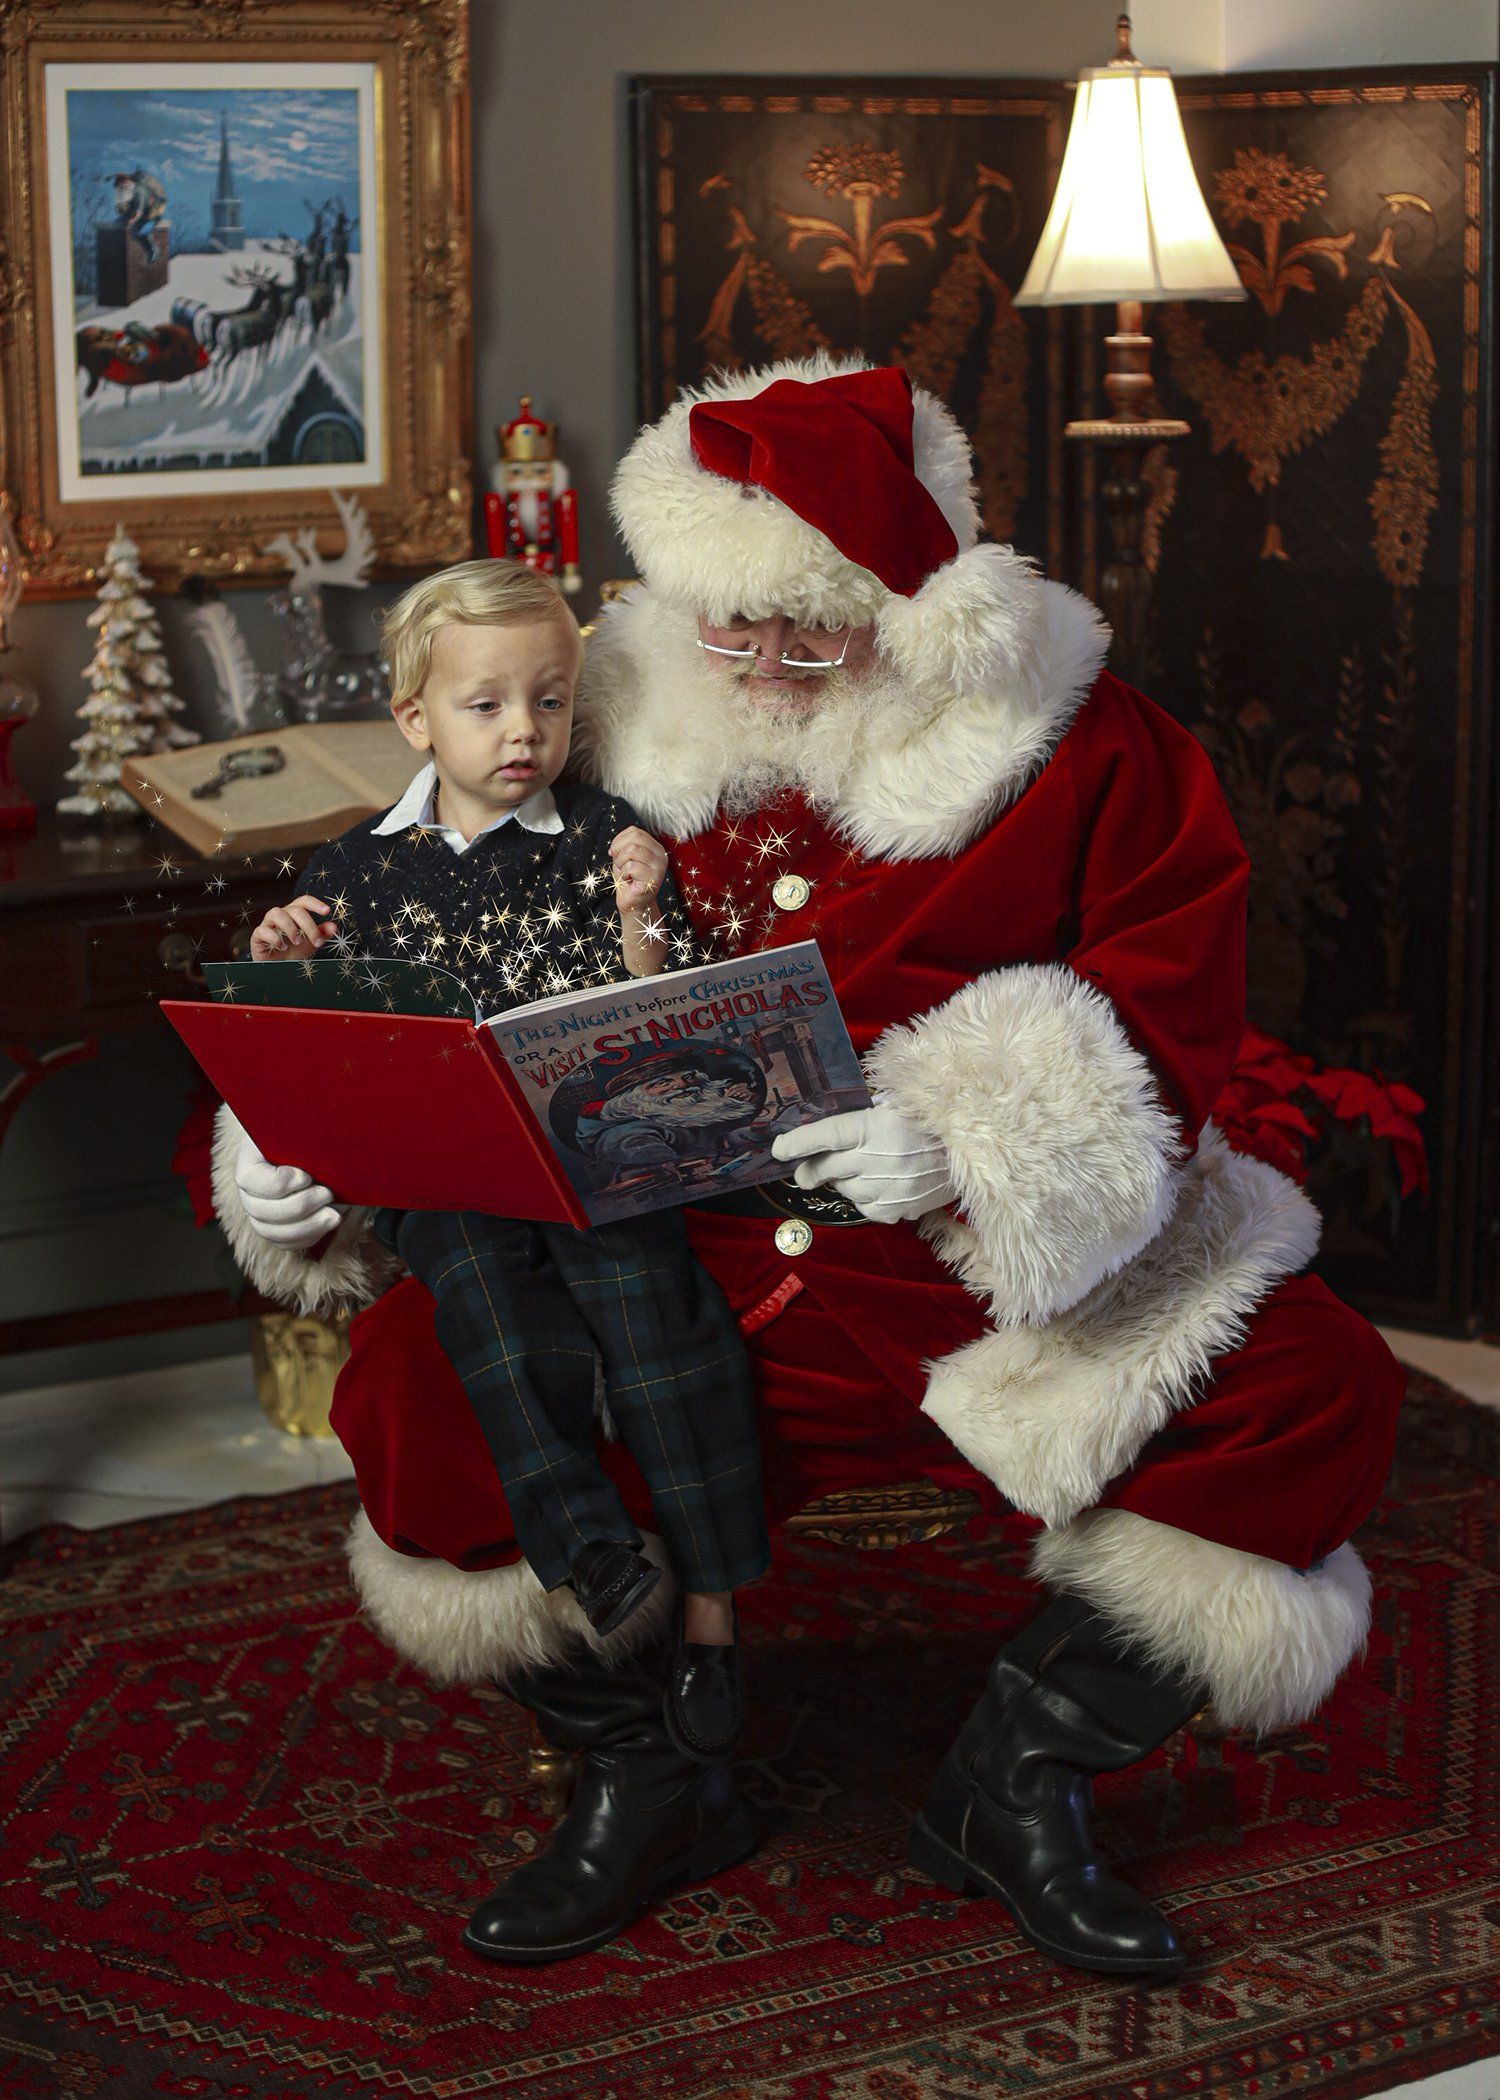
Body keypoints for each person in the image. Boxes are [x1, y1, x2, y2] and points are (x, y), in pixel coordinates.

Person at [210, 359, 1405, 1980]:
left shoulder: (1083, 740)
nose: (765, 665)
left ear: (909, 607)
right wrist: (303, 1165)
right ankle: (651, 1774)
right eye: (732, 627)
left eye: (815, 630)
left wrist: (974, 1139)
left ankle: (1016, 1781)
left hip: (960, 1266)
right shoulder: (586, 700)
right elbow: (405, 946)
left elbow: (1172, 1007)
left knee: (1310, 1386)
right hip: (658, 1250)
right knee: (424, 1392)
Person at [243, 559, 771, 1859]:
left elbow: (659, 1021)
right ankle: (588, 1549)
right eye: (485, 706)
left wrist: (646, 920)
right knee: (484, 1303)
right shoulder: (355, 870)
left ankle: (712, 1615)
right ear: (416, 719)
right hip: (445, 1176)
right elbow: (318, 1046)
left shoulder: (603, 836)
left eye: (547, 699)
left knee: (655, 1307)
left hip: (590, 1159)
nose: (522, 731)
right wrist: (285, 963)